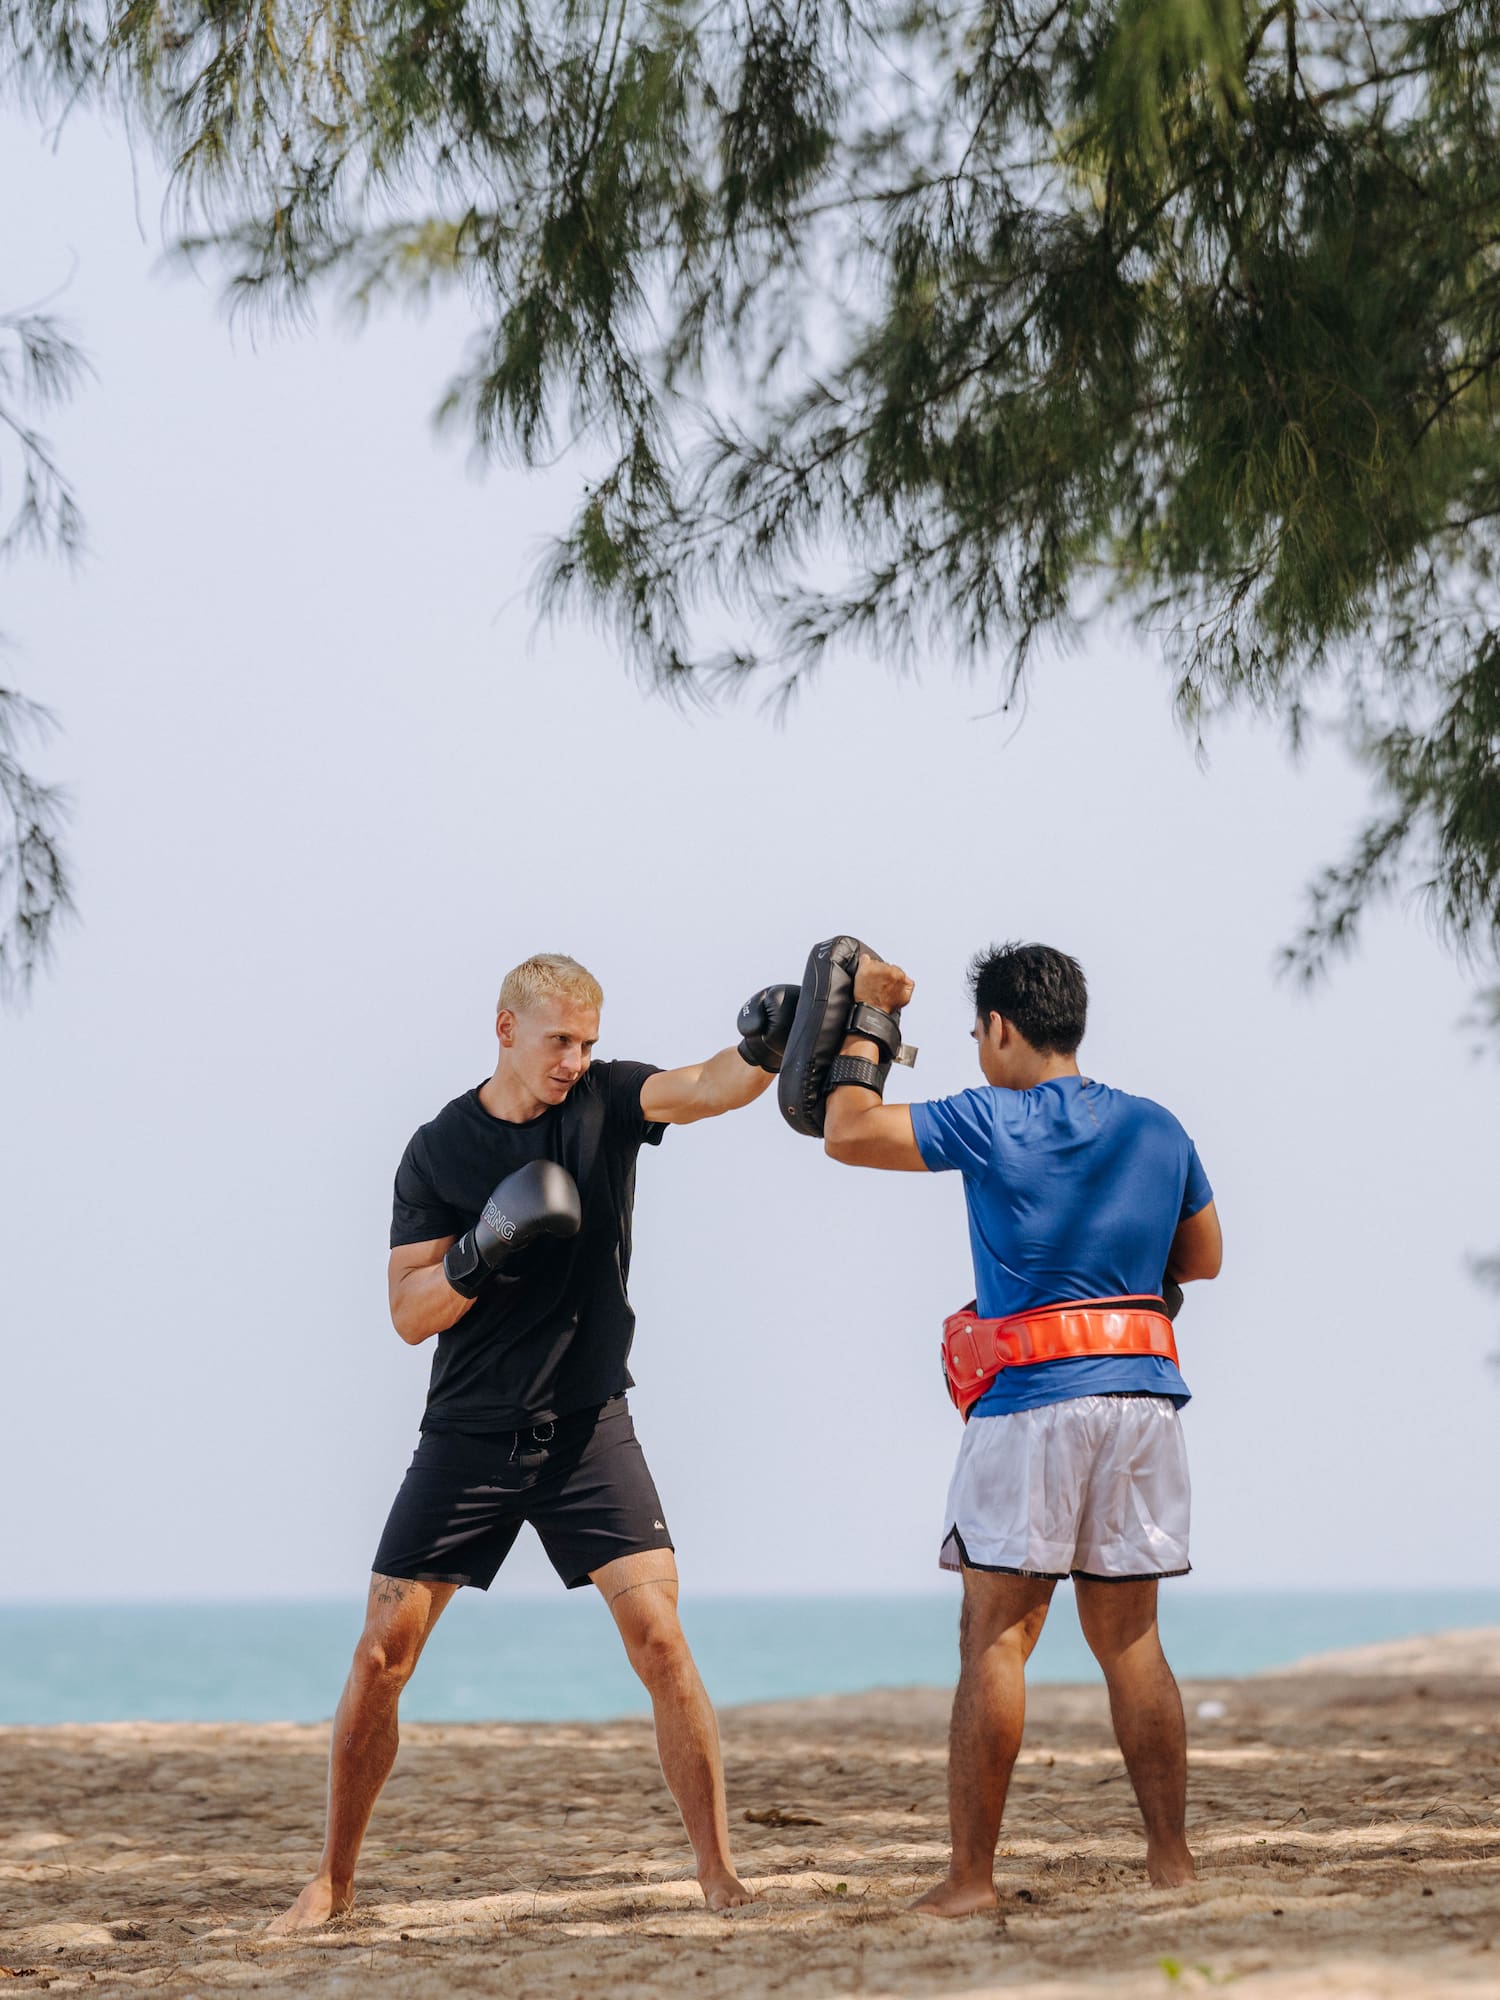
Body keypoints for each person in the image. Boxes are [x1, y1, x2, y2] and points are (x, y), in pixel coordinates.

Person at [270, 953, 796, 1932]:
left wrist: (769, 1044)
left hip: (589, 1423)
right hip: (469, 1432)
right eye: (560, 1040)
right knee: (382, 1655)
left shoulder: (607, 1100)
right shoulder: (440, 1148)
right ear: (505, 1028)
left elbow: (707, 1085)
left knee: (662, 1638)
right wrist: (481, 1248)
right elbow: (407, 1312)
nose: (575, 1059)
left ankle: (720, 1870)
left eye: (588, 1041)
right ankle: (334, 1878)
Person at [820, 941, 1222, 1913]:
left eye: (975, 1032)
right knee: (1131, 1640)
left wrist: (870, 1020)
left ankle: (971, 1879)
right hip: (1143, 1399)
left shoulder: (988, 1114)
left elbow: (846, 1129)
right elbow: (1202, 1258)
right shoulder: (1159, 1126)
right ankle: (1171, 1863)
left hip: (1032, 1401)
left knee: (997, 1635)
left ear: (1000, 1027)